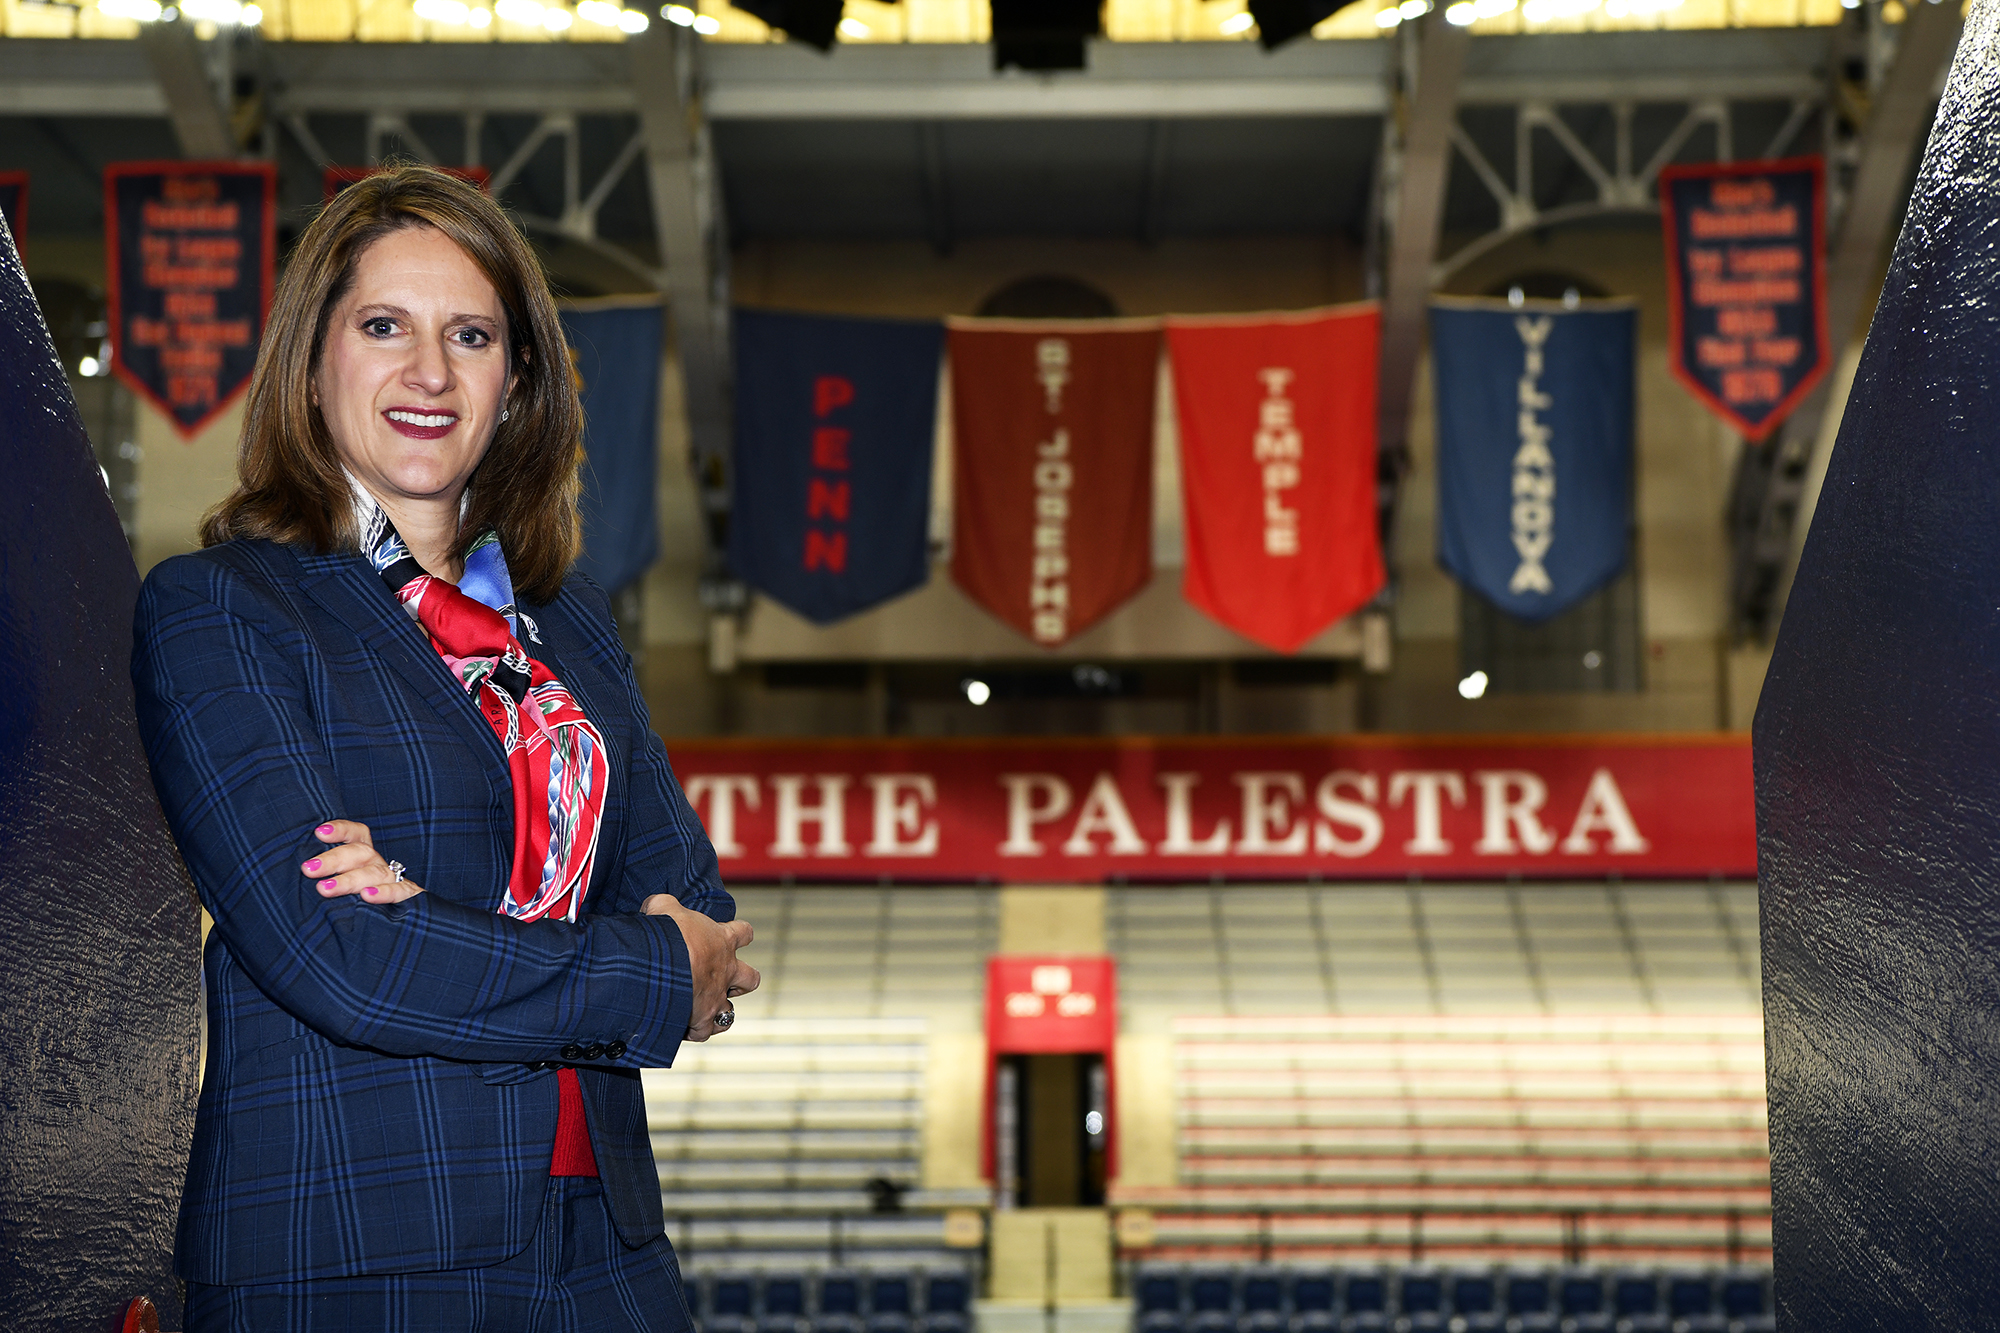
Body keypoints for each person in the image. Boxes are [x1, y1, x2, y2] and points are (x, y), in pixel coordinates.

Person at [131, 164, 757, 1331]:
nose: (429, 371)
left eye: (469, 335)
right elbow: (339, 954)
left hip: (607, 1253)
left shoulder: (567, 624)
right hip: (351, 1250)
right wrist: (643, 966)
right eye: (383, 327)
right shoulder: (223, 610)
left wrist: (426, 911)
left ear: (515, 382)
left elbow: (699, 906)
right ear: (312, 366)